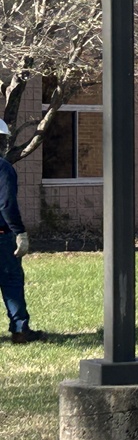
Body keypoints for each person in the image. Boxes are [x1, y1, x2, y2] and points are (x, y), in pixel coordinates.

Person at [0, 120, 45, 344]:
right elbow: (6, 205)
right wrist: (20, 232)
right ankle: (20, 329)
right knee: (11, 281)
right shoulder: (3, 168)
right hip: (1, 238)